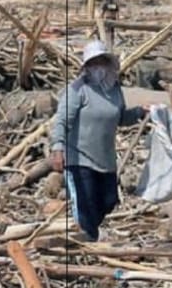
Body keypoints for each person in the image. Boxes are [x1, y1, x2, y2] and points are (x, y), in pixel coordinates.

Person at [49, 40, 151, 242]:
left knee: (108, 201)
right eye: (93, 63)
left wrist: (141, 111)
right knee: (85, 208)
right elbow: (62, 121)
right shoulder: (77, 90)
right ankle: (86, 244)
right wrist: (58, 148)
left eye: (101, 62)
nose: (98, 67)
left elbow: (120, 117)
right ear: (87, 67)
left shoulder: (114, 90)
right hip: (79, 159)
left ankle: (90, 237)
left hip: (106, 161)